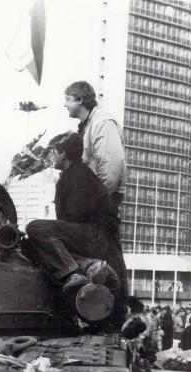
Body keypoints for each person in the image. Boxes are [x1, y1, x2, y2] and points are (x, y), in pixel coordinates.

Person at [25, 132, 118, 293]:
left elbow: (75, 215)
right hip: (91, 235)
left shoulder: (78, 176)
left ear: (63, 154)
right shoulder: (74, 174)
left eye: (54, 152)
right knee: (31, 244)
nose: (51, 156)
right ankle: (86, 265)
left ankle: (73, 272)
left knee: (35, 228)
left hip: (93, 235)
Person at [64, 81, 128, 296]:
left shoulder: (102, 122)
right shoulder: (88, 125)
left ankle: (118, 309)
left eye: (68, 99)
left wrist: (95, 202)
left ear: (80, 100)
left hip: (102, 201)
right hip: (96, 200)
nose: (65, 105)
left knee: (111, 256)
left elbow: (111, 166)